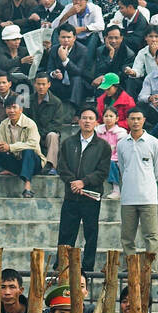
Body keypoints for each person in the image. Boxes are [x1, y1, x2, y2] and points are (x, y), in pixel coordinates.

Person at [57, 107, 112, 273]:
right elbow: (62, 166)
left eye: (91, 118)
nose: (87, 121)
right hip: (71, 195)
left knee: (91, 232)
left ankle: (87, 267)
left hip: (91, 196)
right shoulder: (68, 143)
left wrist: (84, 182)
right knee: (66, 232)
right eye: (84, 118)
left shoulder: (103, 146)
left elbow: (102, 171)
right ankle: (62, 266)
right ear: (79, 121)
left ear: (96, 122)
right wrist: (73, 182)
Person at [116, 108, 158, 260]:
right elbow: (123, 168)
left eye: (138, 118)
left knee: (151, 236)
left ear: (143, 120)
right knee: (127, 237)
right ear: (127, 120)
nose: (135, 122)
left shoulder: (153, 142)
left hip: (148, 197)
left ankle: (151, 271)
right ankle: (130, 270)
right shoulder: (122, 144)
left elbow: (157, 170)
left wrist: (145, 182)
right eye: (132, 118)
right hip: (128, 197)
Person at [0, 99, 41, 198]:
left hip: (33, 163)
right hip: (15, 162)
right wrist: (1, 146)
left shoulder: (30, 124)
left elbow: (33, 144)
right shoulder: (4, 124)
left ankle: (27, 187)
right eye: (8, 108)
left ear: (21, 109)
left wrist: (10, 147)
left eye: (14, 107)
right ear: (5, 110)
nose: (11, 111)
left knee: (28, 150)